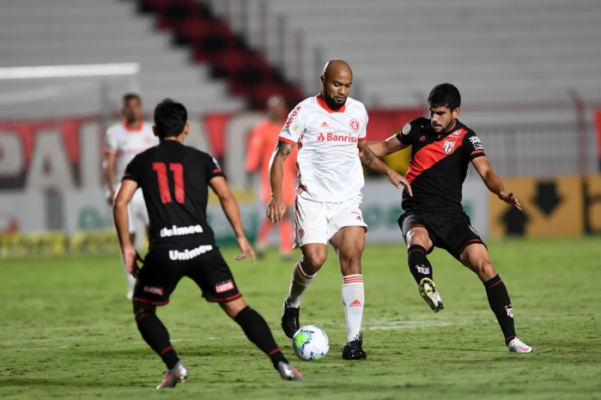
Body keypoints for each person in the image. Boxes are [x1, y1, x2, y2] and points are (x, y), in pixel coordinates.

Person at [114, 99, 303, 389]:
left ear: (154, 129)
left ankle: (174, 366)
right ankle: (282, 363)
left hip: (164, 249)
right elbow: (226, 196)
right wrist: (241, 237)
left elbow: (121, 202)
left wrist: (127, 246)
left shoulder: (140, 162)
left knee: (143, 309)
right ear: (186, 129)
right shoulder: (202, 159)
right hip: (203, 247)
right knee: (239, 309)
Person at [367, 83, 533, 353]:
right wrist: (353, 147)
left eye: (440, 113)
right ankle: (427, 283)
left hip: (452, 217)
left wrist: (500, 190)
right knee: (416, 240)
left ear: (455, 112)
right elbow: (384, 147)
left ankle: (512, 339)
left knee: (485, 265)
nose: (434, 119)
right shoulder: (417, 128)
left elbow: (486, 172)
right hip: (417, 211)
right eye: (432, 112)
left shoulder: (467, 137)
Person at [268, 60, 411, 360]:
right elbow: (280, 157)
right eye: (337, 85)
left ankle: (354, 341)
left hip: (347, 200)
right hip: (313, 200)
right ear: (322, 80)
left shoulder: (358, 111)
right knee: (315, 259)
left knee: (353, 259)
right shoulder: (304, 111)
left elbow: (362, 151)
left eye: (347, 86)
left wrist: (388, 172)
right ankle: (292, 303)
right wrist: (276, 196)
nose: (342, 91)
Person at [104, 93, 158, 299]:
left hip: (148, 190)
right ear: (124, 109)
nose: (133, 110)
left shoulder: (151, 131)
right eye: (129, 106)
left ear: (141, 108)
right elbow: (108, 164)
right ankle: (133, 284)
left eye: (136, 106)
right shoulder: (114, 133)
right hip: (125, 189)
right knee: (128, 237)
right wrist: (111, 190)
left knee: (155, 234)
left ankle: (153, 279)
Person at [245, 95, 297, 259]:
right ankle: (266, 242)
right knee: (274, 209)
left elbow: (295, 153)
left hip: (287, 176)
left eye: (279, 107)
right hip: (269, 176)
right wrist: (250, 169)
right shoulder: (262, 129)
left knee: (286, 211)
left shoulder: (290, 129)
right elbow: (255, 151)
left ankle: (284, 248)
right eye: (273, 108)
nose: (277, 111)